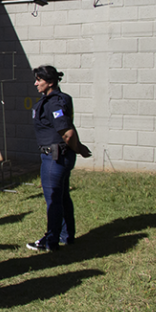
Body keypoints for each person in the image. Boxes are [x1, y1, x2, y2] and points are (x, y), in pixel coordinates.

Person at [27, 65, 91, 252]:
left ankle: (51, 240)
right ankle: (66, 235)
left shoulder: (54, 103)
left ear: (51, 82)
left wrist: (79, 148)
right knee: (62, 197)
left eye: (39, 80)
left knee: (53, 200)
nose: (36, 83)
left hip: (54, 158)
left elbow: (68, 133)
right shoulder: (62, 99)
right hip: (61, 156)